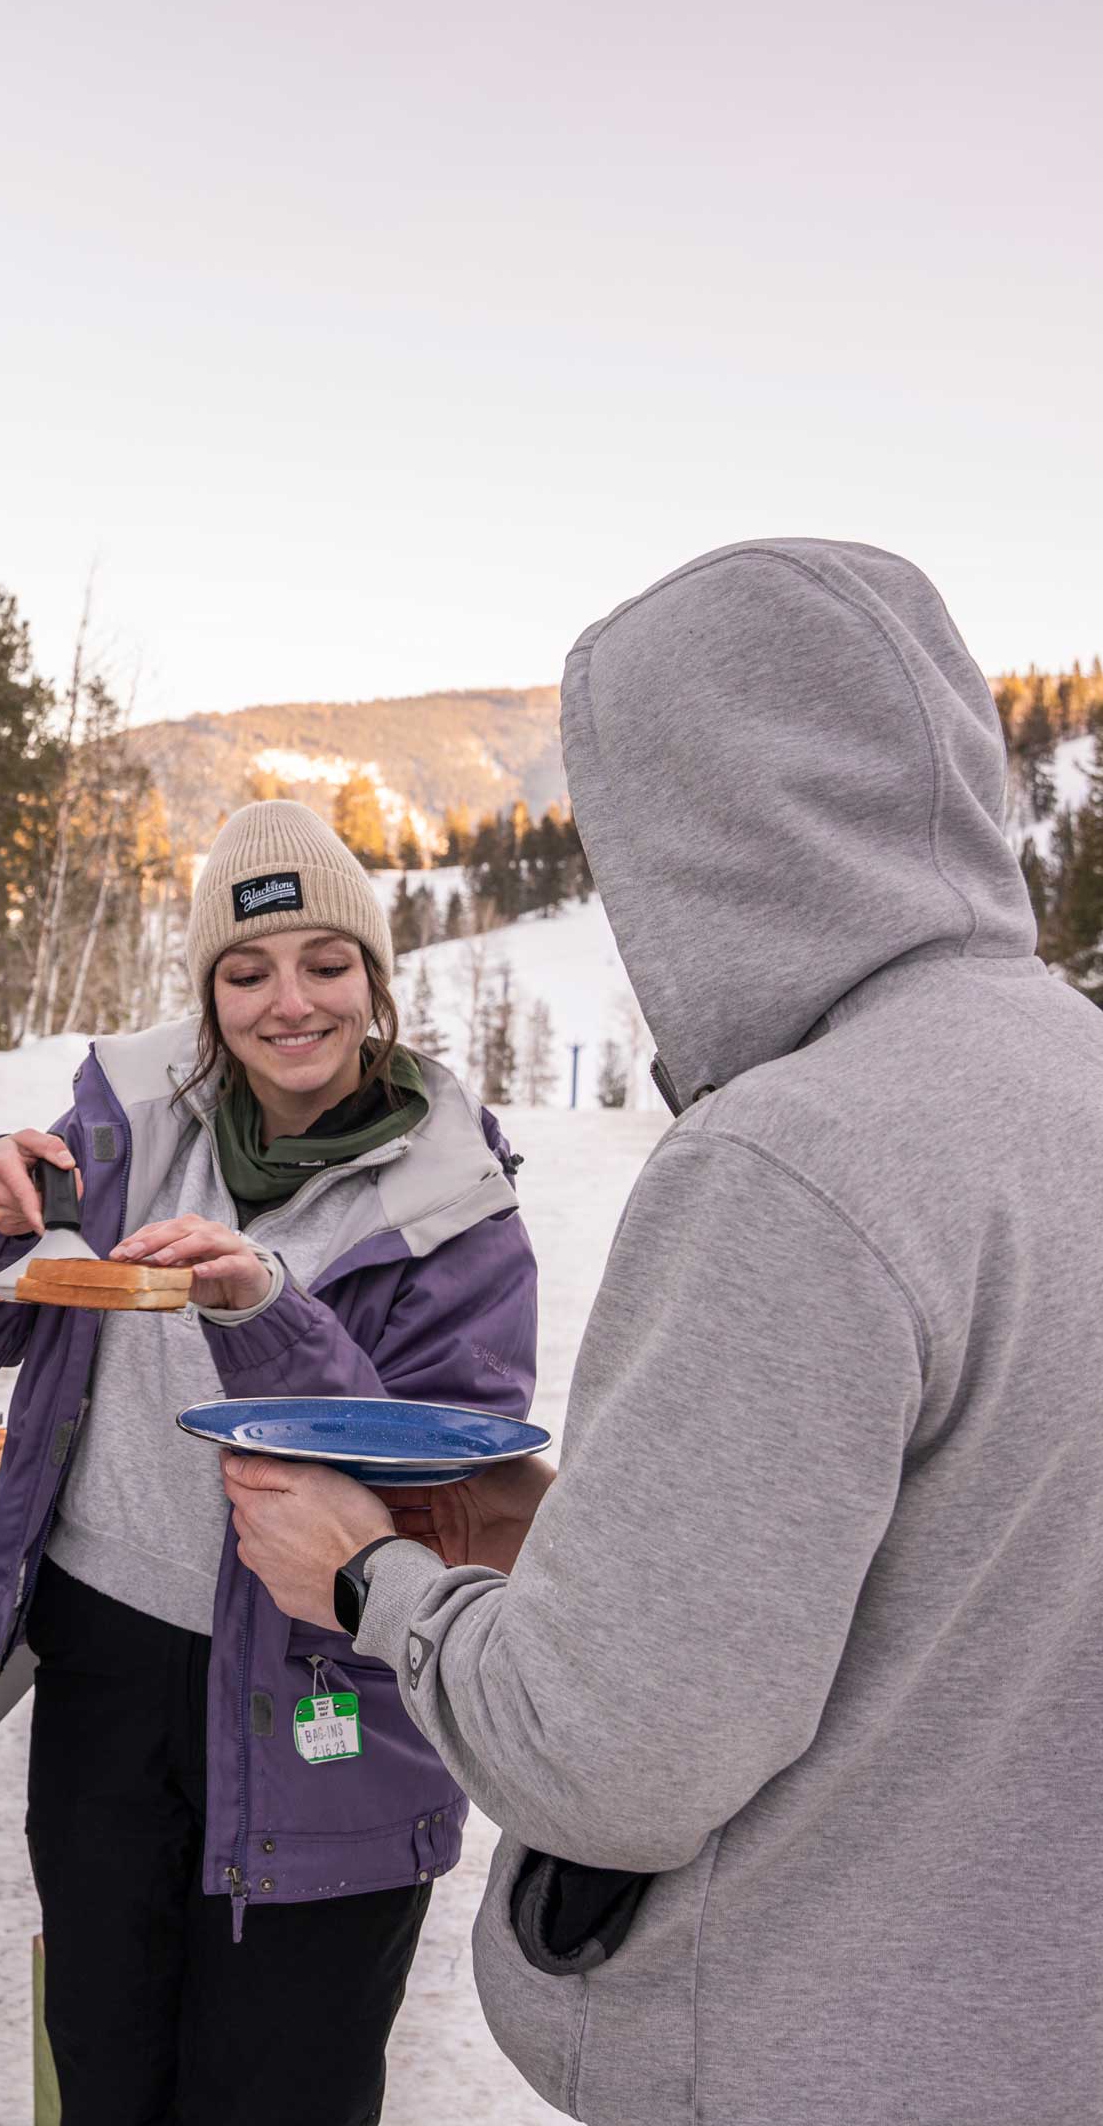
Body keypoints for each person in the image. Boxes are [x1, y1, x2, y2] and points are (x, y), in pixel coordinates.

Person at [221, 539, 1103, 2126]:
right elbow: (961, 1566)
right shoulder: (1066, 1083)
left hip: (814, 2048)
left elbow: (612, 1760)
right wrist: (586, 1552)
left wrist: (371, 1580)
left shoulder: (796, 1159)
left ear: (698, 836)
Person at [0, 798, 538, 2126]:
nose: (286, 1002)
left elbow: (442, 1488)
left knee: (276, 2088)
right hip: (108, 1669)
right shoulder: (127, 1131)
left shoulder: (453, 1212)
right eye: (244, 972)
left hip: (328, 1695)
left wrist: (258, 1310)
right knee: (107, 2060)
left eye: (323, 963)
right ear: (207, 994)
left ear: (374, 981)